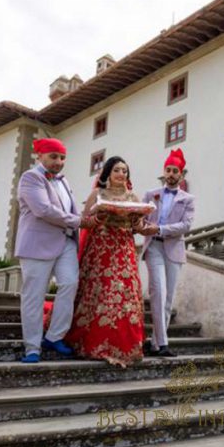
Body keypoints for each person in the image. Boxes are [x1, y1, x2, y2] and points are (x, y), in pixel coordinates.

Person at [14, 138, 95, 363]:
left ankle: (54, 336)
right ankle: (32, 347)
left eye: (62, 158)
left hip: (66, 242)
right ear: (40, 156)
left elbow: (69, 209)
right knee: (34, 295)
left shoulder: (64, 180)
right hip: (37, 245)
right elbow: (43, 210)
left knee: (69, 284)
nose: (59, 162)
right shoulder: (31, 177)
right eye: (53, 157)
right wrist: (79, 222)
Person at [65, 157, 148, 367]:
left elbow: (138, 227)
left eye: (125, 171)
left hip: (123, 247)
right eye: (117, 170)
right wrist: (98, 216)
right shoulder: (97, 194)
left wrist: (140, 222)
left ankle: (126, 345)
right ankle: (94, 342)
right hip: (101, 248)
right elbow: (84, 221)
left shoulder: (133, 196)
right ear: (108, 173)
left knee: (126, 293)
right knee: (101, 291)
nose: (121, 174)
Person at [138, 148, 195, 357]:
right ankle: (163, 344)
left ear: (181, 174)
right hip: (153, 247)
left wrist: (160, 229)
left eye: (175, 171)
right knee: (158, 292)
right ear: (164, 172)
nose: (171, 174)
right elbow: (140, 219)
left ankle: (154, 344)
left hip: (174, 249)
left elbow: (185, 225)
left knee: (168, 299)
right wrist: (142, 226)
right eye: (168, 170)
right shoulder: (150, 194)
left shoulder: (188, 199)